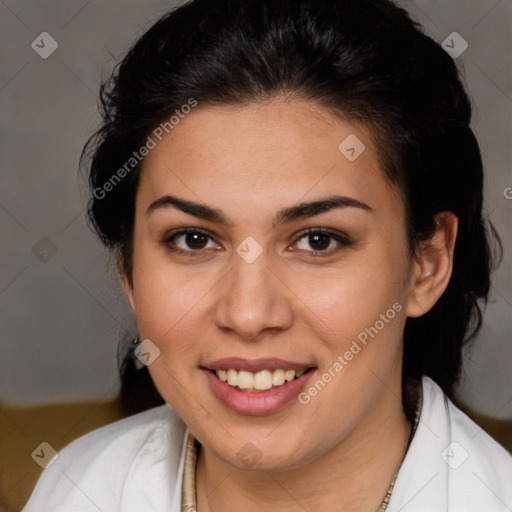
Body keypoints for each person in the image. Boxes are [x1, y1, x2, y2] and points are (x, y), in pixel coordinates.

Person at [23, 0, 512, 510]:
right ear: (129, 269)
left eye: (318, 240)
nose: (249, 314)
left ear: (426, 266)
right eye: (193, 239)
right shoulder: (77, 489)